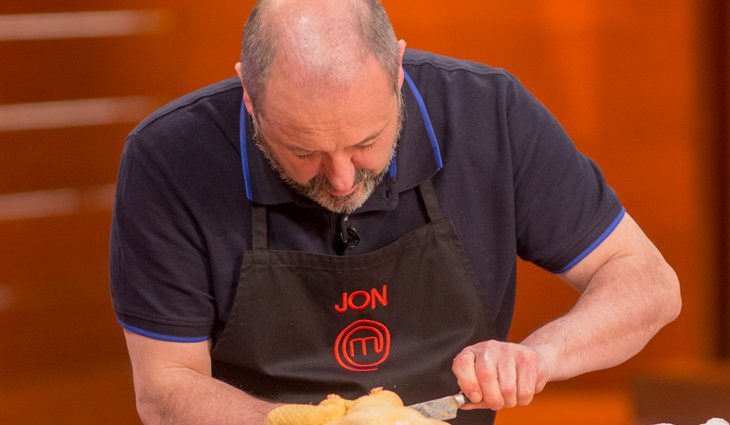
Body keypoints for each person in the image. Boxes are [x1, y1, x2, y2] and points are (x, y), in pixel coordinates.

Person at [109, 1, 681, 424]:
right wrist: (303, 424)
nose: (340, 179)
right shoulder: (169, 159)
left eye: (366, 142)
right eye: (303, 152)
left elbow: (647, 281)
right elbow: (164, 388)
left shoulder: (489, 113)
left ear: (399, 70)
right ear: (249, 96)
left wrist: (540, 356)